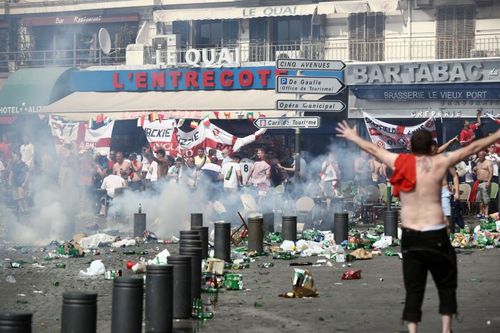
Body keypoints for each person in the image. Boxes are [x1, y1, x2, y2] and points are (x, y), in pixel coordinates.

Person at [336, 120, 500, 333]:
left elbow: (373, 149)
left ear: (411, 147)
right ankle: (445, 328)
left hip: (411, 235)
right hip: (436, 234)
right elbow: (473, 147)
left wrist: (353, 136)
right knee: (446, 284)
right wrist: (496, 135)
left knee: (414, 288)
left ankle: (413, 330)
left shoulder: (400, 161)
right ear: (431, 147)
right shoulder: (439, 162)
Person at [474, 150, 493, 218]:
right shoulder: (478, 163)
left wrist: (489, 181)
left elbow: (491, 172)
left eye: (481, 155)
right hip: (479, 183)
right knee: (479, 200)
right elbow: (477, 173)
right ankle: (481, 212)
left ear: (484, 155)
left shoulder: (488, 162)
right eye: (479, 155)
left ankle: (486, 213)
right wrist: (475, 171)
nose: (480, 156)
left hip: (485, 182)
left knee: (486, 199)